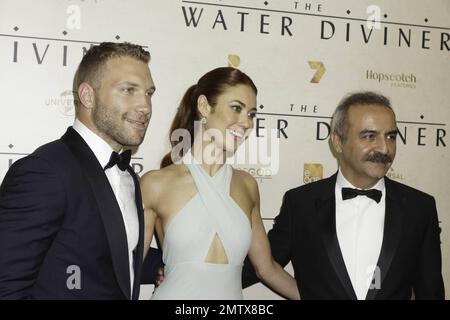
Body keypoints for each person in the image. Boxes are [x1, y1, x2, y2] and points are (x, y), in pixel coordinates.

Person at [243, 91, 445, 300]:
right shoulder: (301, 204)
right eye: (369, 136)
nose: (385, 148)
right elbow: (261, 265)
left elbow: (430, 290)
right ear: (338, 142)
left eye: (391, 137)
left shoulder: (419, 207)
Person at [0, 42, 161, 299]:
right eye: (128, 90)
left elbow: (108, 257)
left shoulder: (128, 176)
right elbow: (7, 287)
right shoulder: (45, 172)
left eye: (149, 93)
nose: (145, 106)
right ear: (87, 96)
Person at [140, 67, 300, 300]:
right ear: (204, 107)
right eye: (236, 108)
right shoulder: (156, 184)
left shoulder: (247, 185)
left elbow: (267, 269)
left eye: (252, 114)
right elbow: (127, 272)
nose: (246, 123)